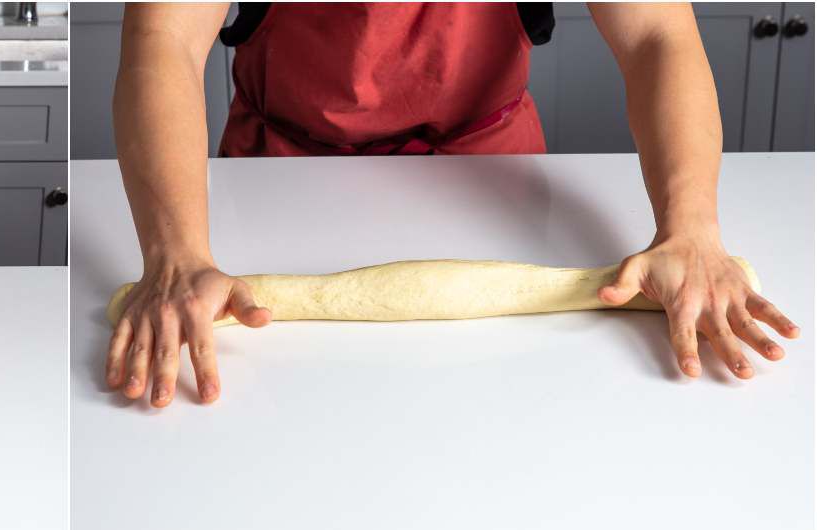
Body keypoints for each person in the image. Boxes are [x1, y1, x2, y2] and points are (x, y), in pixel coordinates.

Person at [107, 2, 800, 407]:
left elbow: (657, 34)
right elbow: (162, 36)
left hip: (495, 182)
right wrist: (175, 255)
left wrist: (691, 230)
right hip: (278, 179)